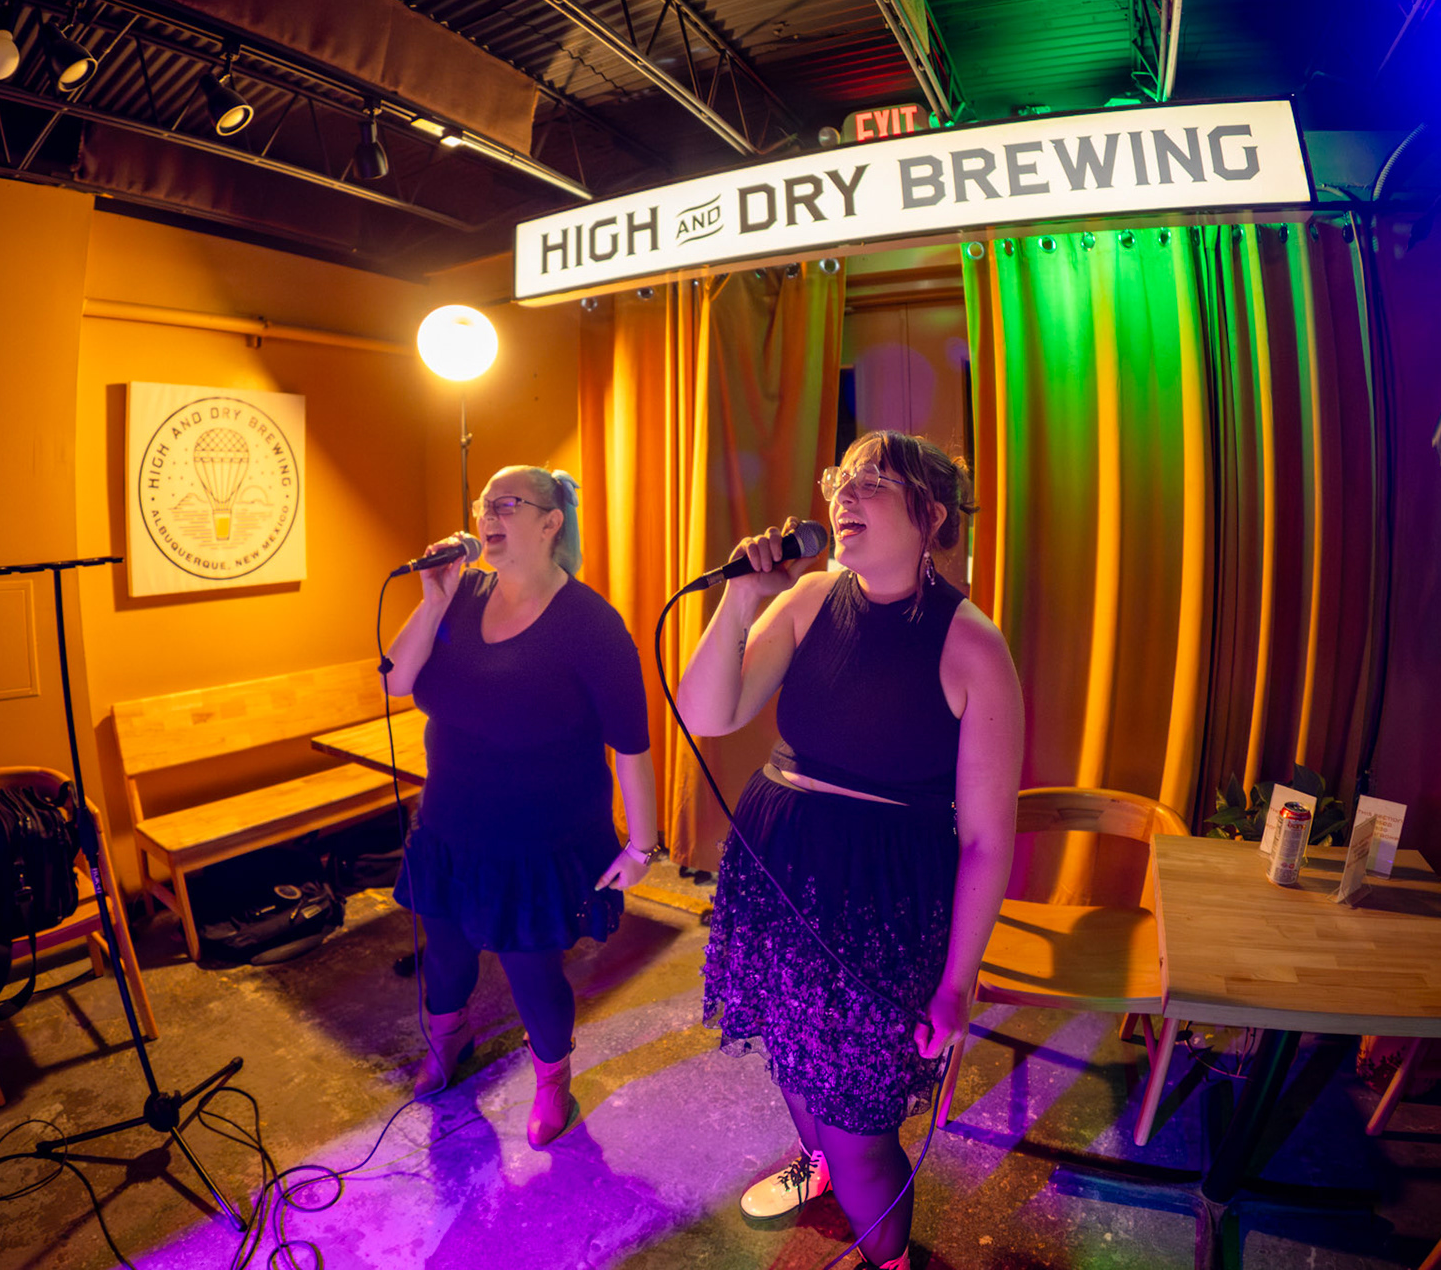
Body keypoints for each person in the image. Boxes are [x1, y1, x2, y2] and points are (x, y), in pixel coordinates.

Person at [676, 431, 1025, 1269]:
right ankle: (817, 1164)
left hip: (880, 902)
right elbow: (707, 712)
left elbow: (987, 839)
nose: (844, 495)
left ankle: (887, 1258)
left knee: (859, 1121)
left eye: (872, 482)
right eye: (842, 478)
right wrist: (740, 600)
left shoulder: (971, 644)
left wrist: (957, 983)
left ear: (930, 515)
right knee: (792, 1056)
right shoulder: (808, 599)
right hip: (777, 870)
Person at [384, 465, 659, 1149]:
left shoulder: (589, 624)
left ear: (549, 522)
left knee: (531, 970)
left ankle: (551, 1078)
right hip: (450, 826)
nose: (488, 517)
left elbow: (631, 743)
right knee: (445, 954)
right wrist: (432, 600)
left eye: (506, 504)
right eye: (484, 505)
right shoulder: (461, 594)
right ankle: (450, 1038)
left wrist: (642, 844)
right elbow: (395, 681)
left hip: (537, 840)